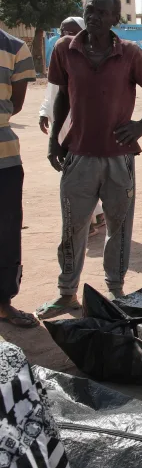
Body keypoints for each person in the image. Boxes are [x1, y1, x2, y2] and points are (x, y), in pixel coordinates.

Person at [37, 0, 142, 319]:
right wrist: (54, 141)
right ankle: (67, 294)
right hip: (78, 155)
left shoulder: (131, 53)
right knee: (72, 226)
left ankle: (116, 290)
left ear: (115, 19)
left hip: (119, 156)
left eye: (100, 12)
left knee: (118, 227)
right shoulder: (65, 49)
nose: (92, 16)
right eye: (88, 10)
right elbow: (63, 95)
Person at [40, 17, 105, 238]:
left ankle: (89, 221)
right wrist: (43, 112)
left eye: (71, 31)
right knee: (72, 174)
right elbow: (52, 91)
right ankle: (92, 218)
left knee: (84, 174)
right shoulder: (59, 55)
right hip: (62, 126)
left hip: (83, 128)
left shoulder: (91, 59)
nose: (65, 34)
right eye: (62, 30)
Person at [0, 28, 37, 328]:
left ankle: (3, 303)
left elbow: (16, 105)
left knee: (7, 231)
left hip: (4, 160)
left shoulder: (15, 48)